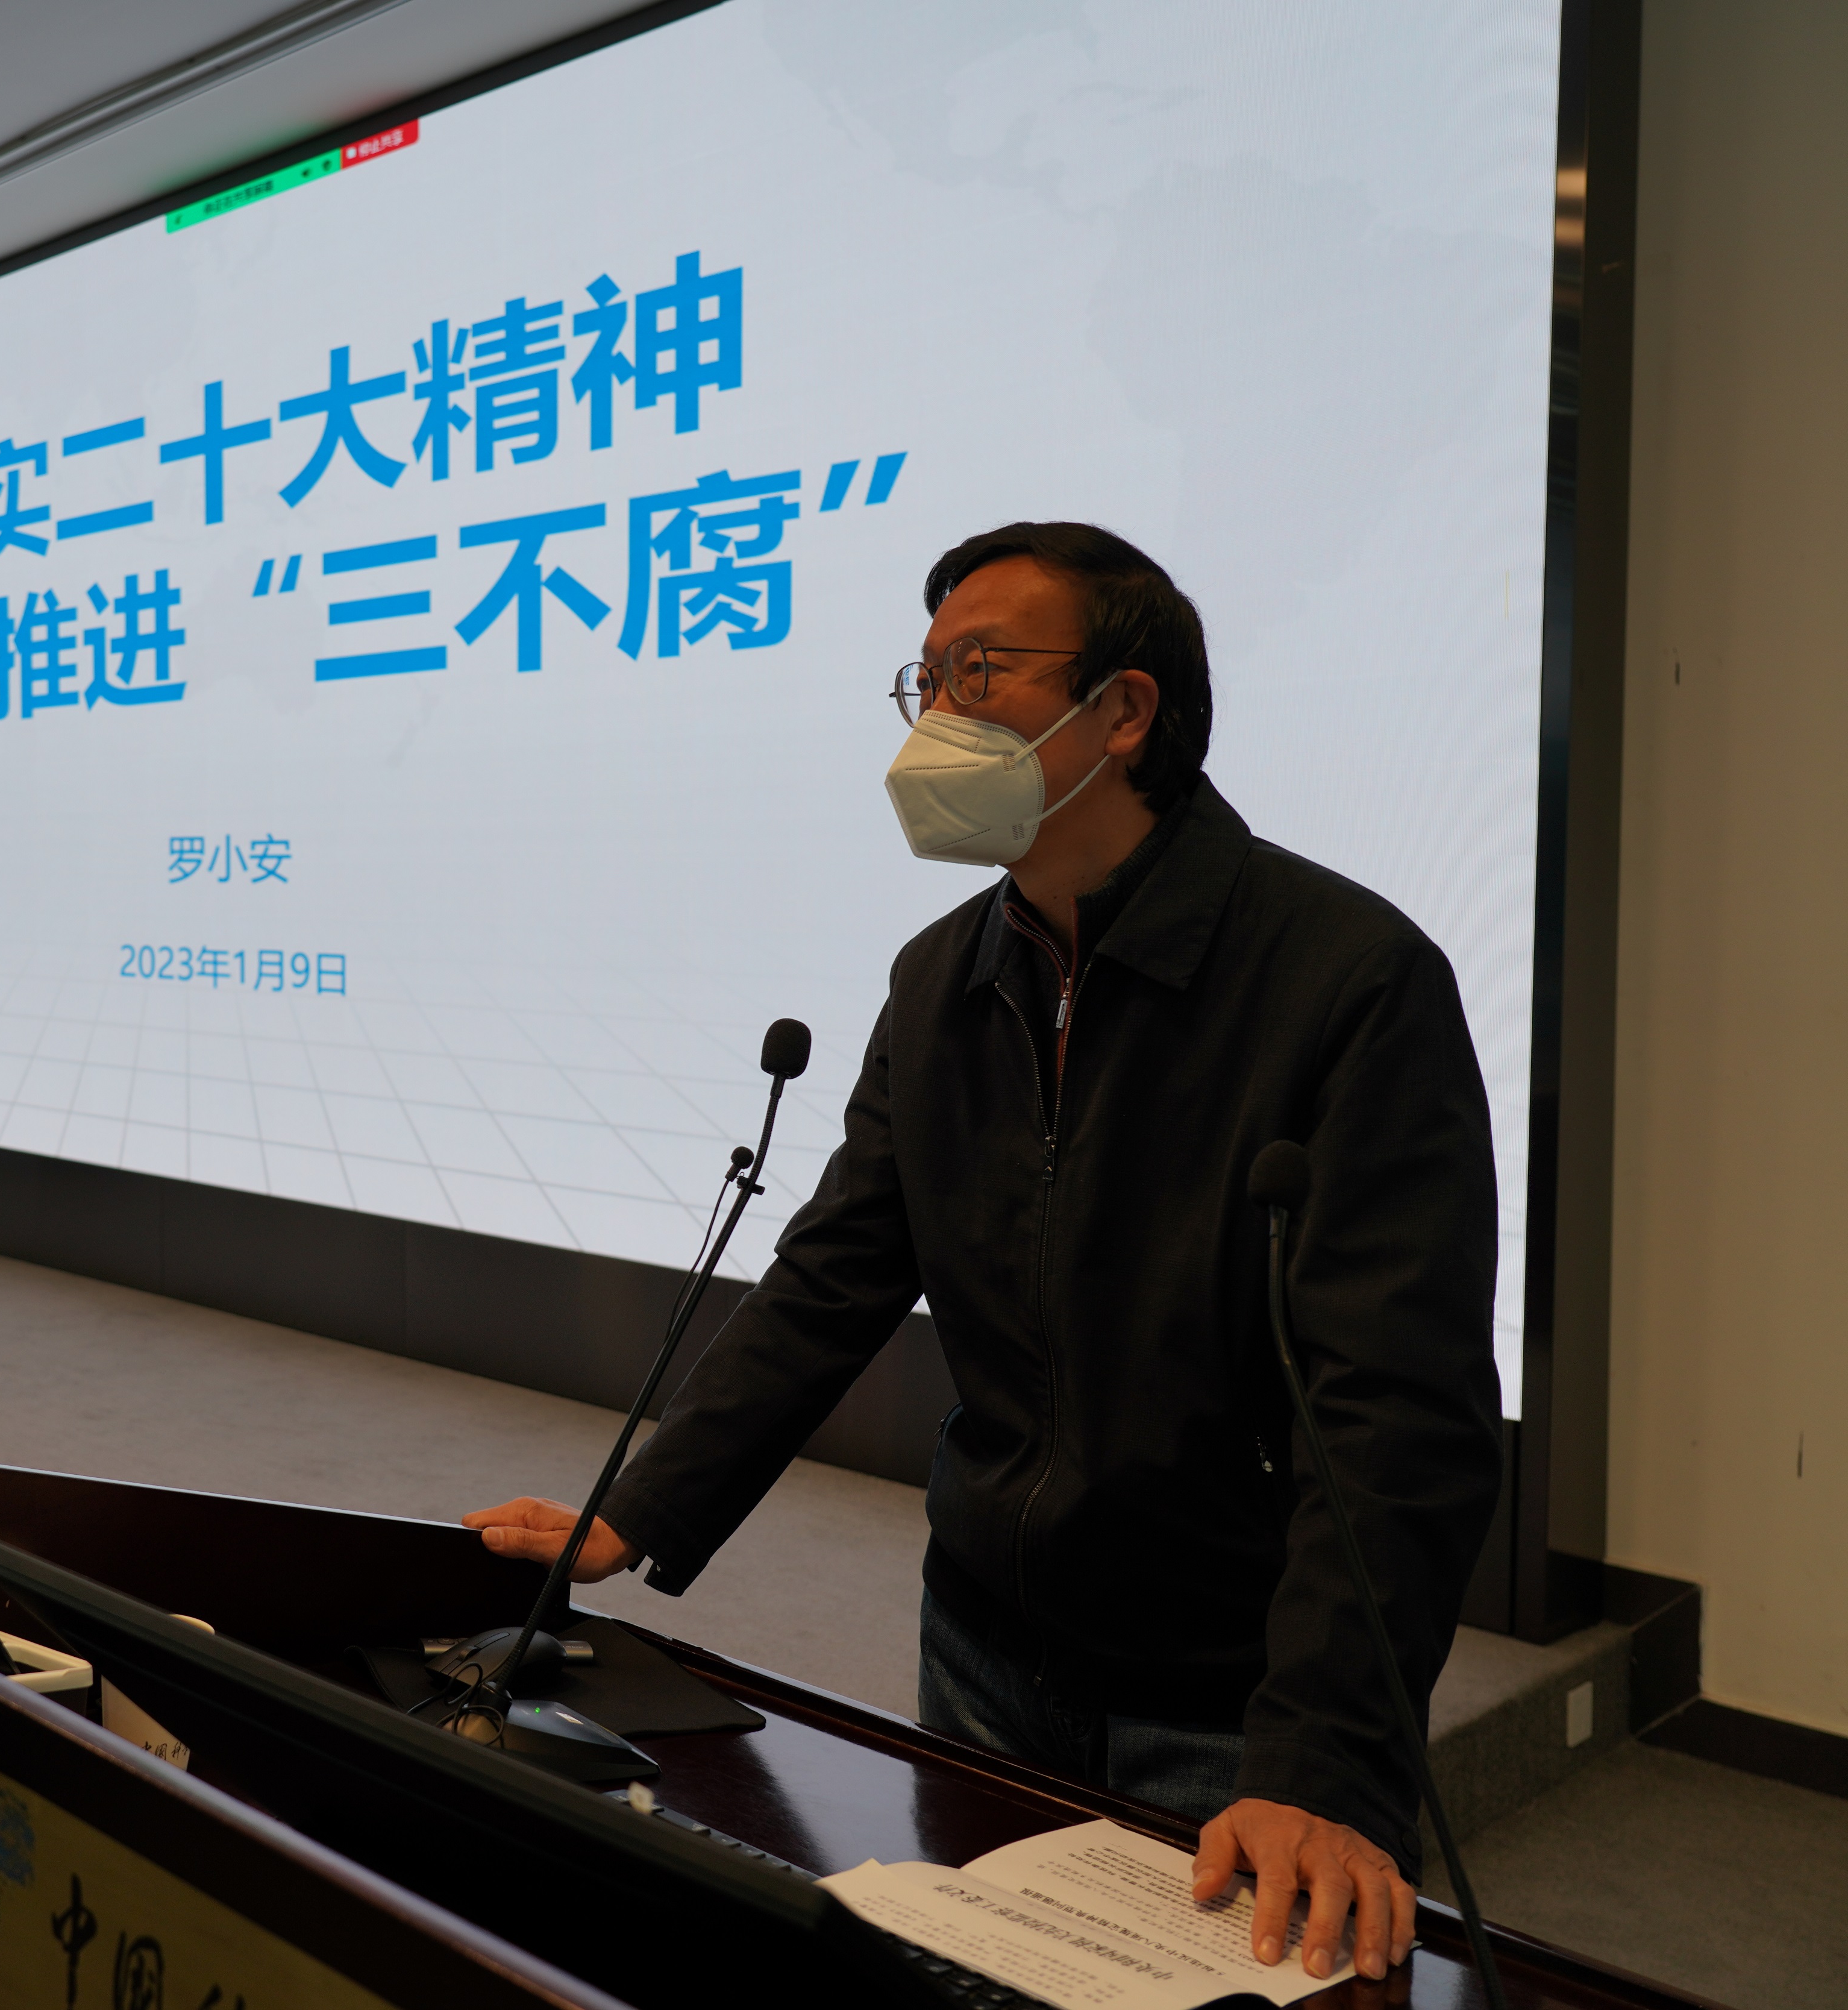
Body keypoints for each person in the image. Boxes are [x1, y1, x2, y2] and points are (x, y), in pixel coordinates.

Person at [466, 523, 1502, 1987]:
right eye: (925, 679)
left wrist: (1324, 1759)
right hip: (985, 1649)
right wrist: (640, 1506)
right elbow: (835, 1274)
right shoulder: (941, 975)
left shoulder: (1346, 981)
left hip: (1231, 1696)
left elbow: (1398, 1411)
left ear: (1122, 711)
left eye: (979, 672)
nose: (936, 717)